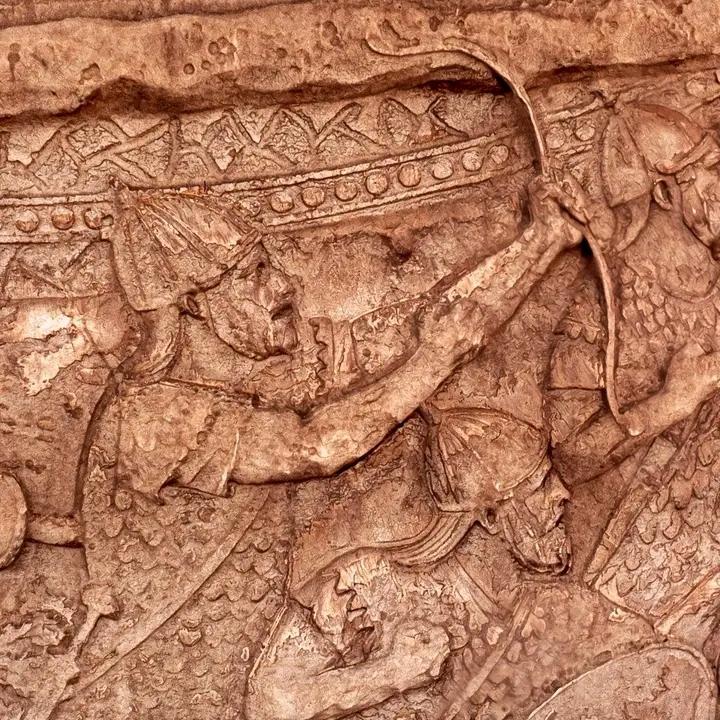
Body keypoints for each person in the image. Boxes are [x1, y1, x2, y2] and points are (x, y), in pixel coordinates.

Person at [50, 176, 582, 719]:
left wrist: (542, 242)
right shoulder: (147, 418)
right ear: (192, 305)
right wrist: (433, 360)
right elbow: (315, 447)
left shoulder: (277, 370)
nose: (283, 285)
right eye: (254, 275)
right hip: (161, 691)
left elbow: (434, 320)